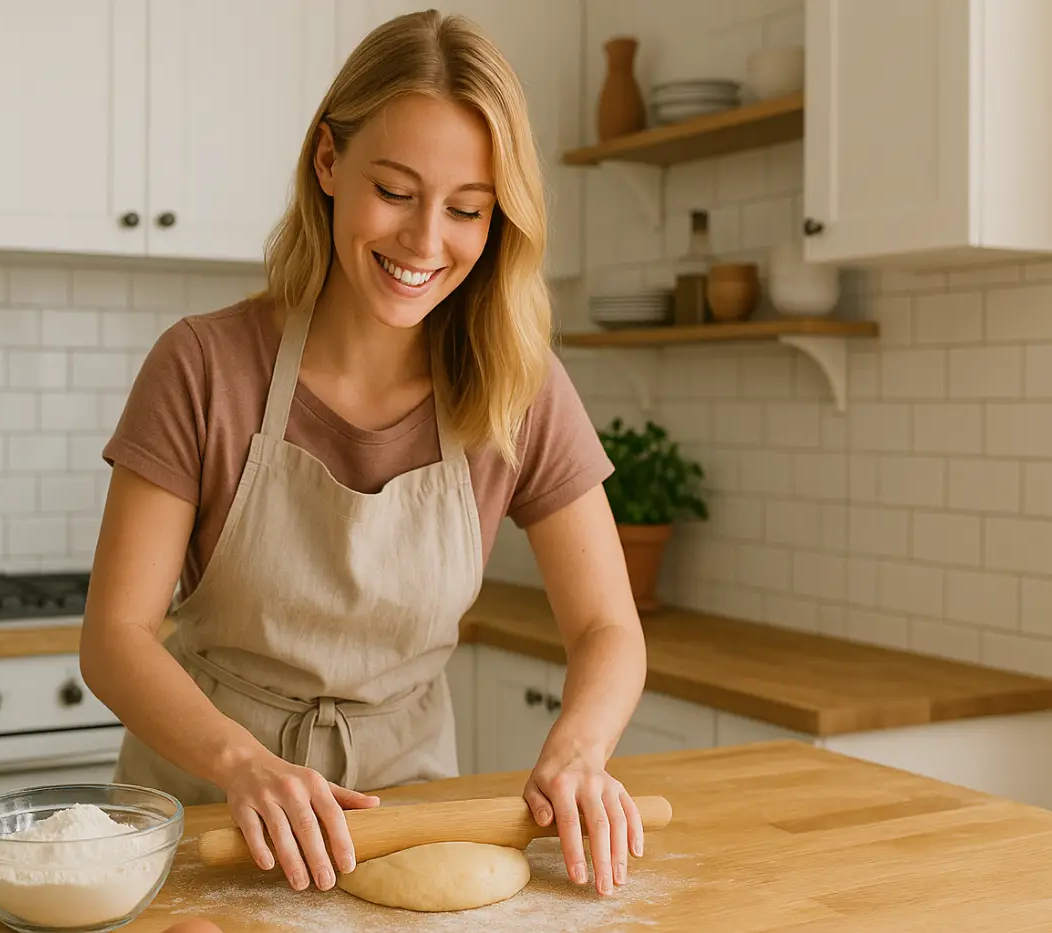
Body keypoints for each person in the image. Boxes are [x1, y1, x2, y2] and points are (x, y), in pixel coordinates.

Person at [80, 9, 647, 901]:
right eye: (395, 190)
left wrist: (580, 751)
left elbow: (608, 626)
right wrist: (243, 764)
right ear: (328, 162)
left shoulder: (518, 386)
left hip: (406, 815)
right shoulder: (203, 366)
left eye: (467, 209)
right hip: (208, 810)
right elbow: (114, 637)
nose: (426, 241)